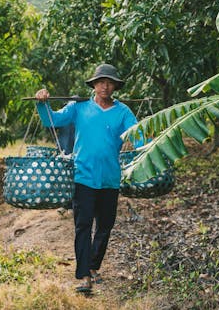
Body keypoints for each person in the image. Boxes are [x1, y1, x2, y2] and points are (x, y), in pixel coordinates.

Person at [35, 64, 140, 294]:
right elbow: (51, 120)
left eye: (109, 82)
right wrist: (42, 103)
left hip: (110, 179)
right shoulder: (79, 107)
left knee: (105, 226)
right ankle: (83, 275)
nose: (105, 86)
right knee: (83, 226)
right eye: (101, 81)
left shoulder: (122, 112)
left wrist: (152, 138)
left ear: (115, 86)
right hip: (83, 177)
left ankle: (93, 266)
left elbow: (139, 137)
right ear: (93, 84)